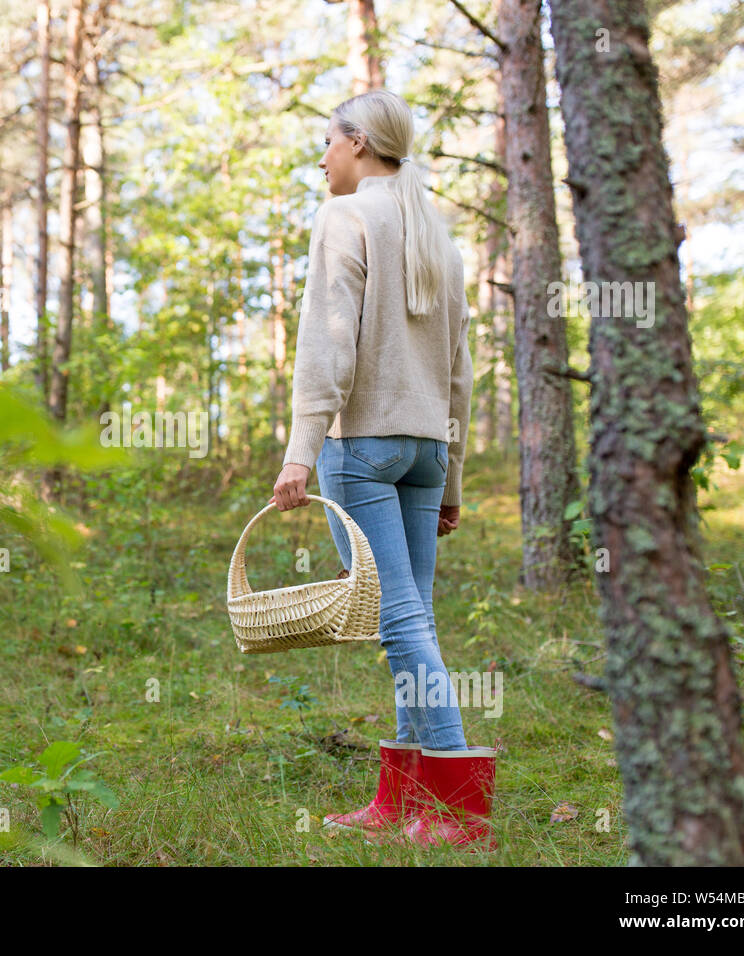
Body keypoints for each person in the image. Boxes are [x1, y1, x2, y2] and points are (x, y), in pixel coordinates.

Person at [269, 90, 497, 851]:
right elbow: (461, 373)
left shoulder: (345, 217)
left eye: (327, 143)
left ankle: (461, 806)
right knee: (413, 622)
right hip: (426, 451)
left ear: (360, 143)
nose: (323, 157)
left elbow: (327, 346)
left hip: (362, 447)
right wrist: (452, 476)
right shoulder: (438, 234)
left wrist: (302, 448)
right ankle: (402, 800)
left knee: (397, 623)